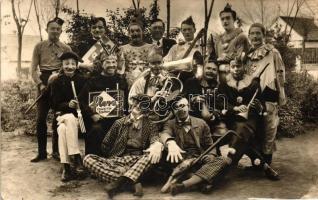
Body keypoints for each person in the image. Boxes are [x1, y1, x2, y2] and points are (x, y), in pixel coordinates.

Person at [83, 94, 163, 197]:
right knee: (87, 159)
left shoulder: (150, 124)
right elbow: (106, 144)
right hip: (119, 159)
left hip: (138, 160)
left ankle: (118, 183)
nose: (138, 106)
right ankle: (131, 181)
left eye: (143, 105)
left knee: (151, 154)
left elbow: (154, 138)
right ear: (131, 106)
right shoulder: (119, 123)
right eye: (136, 103)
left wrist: (156, 145)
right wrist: (111, 160)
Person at [218, 57, 279, 180]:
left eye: (238, 66)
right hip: (231, 117)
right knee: (241, 134)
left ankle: (225, 166)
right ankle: (264, 165)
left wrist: (256, 107)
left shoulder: (254, 83)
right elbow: (221, 102)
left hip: (249, 118)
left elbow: (260, 104)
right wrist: (234, 109)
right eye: (233, 66)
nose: (236, 69)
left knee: (242, 129)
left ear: (244, 67)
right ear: (229, 68)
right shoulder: (224, 82)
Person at [160, 97, 230, 195]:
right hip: (182, 159)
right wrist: (170, 142)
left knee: (225, 160)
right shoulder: (170, 123)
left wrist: (210, 156)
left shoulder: (201, 122)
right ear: (173, 110)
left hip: (200, 156)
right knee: (214, 172)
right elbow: (164, 134)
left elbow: (210, 145)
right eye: (177, 107)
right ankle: (203, 183)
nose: (181, 109)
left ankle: (184, 185)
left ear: (188, 107)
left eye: (183, 106)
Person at [30, 17, 72, 162]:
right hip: (43, 82)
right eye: (52, 28)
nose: (55, 31)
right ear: (47, 30)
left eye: (57, 29)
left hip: (59, 82)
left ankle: (56, 151)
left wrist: (59, 77)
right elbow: (33, 69)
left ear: (61, 31)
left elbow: (70, 66)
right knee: (41, 119)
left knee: (58, 118)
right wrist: (40, 85)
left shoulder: (66, 48)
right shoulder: (39, 46)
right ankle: (41, 153)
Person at [246, 23, 286, 169]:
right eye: (252, 33)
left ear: (263, 36)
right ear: (249, 36)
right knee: (254, 128)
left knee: (269, 127)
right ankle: (256, 162)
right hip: (253, 95)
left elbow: (280, 72)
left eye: (258, 33)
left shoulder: (273, 52)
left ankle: (266, 163)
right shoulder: (248, 55)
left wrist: (281, 93)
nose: (255, 36)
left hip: (269, 92)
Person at [78, 54, 128, 156]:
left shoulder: (121, 81)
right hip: (98, 120)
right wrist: (92, 114)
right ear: (102, 64)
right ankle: (93, 160)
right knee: (96, 130)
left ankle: (115, 160)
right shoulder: (92, 81)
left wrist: (125, 114)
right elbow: (81, 101)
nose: (111, 65)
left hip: (117, 119)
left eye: (114, 62)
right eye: (108, 62)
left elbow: (127, 101)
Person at [51, 51, 87, 182]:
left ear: (77, 66)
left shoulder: (82, 80)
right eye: (66, 64)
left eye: (72, 64)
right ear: (62, 65)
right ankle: (76, 157)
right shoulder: (56, 82)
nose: (69, 67)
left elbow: (87, 101)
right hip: (63, 116)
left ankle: (66, 166)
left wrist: (78, 104)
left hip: (79, 118)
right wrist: (68, 104)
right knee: (67, 120)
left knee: (62, 130)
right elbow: (55, 104)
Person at [212, 3, 250, 83]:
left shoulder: (241, 36)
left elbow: (239, 59)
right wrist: (219, 59)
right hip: (220, 77)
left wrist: (223, 59)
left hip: (236, 77)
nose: (225, 21)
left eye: (228, 18)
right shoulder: (218, 39)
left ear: (234, 20)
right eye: (222, 19)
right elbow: (214, 57)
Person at [119, 16, 155, 88]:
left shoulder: (152, 48)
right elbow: (120, 71)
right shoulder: (122, 49)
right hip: (128, 85)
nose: (135, 33)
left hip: (147, 83)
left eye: (138, 30)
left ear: (142, 32)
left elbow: (154, 67)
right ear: (129, 34)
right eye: (132, 31)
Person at [164, 16, 201, 83]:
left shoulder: (201, 47)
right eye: (184, 30)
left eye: (189, 29)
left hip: (197, 80)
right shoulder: (175, 48)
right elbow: (166, 64)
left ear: (194, 30)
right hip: (178, 80)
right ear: (181, 31)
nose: (187, 32)